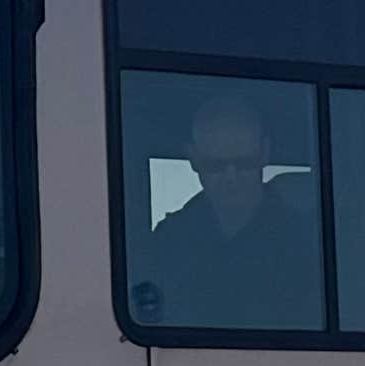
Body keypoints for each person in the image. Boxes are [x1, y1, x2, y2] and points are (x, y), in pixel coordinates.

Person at [133, 89, 322, 328]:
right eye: (216, 165)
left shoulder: (308, 244)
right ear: (193, 158)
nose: (231, 176)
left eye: (244, 162)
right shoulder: (169, 242)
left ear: (265, 153)